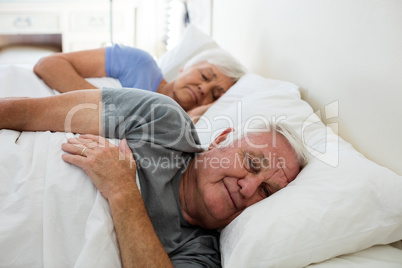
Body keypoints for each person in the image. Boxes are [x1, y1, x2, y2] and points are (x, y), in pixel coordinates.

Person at [0, 88, 308, 267]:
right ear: (221, 139)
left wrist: (122, 189)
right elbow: (31, 113)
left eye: (266, 192)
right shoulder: (165, 120)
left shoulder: (201, 253)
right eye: (252, 163)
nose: (248, 186)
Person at [33, 44, 247, 119]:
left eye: (216, 94)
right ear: (186, 67)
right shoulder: (141, 63)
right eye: (205, 76)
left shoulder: (179, 127)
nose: (204, 88)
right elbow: (48, 65)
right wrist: (109, 109)